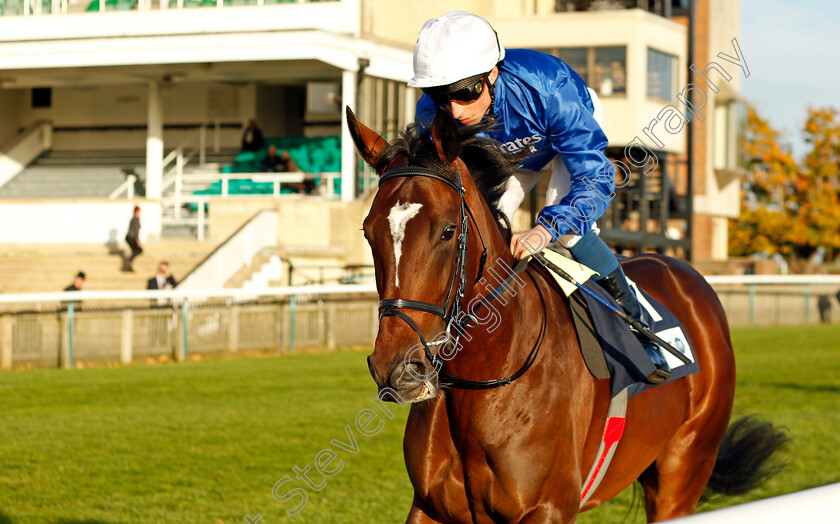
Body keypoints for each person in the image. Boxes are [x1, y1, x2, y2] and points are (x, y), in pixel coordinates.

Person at [410, 11, 669, 382]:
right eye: (439, 96)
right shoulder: (430, 116)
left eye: (467, 92)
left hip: (561, 135)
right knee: (475, 227)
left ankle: (639, 327)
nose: (455, 110)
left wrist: (545, 230)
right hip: (512, 155)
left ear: (492, 75)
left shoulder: (549, 88)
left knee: (568, 232)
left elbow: (595, 180)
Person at [124, 206, 142, 272]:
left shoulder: (133, 219)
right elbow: (135, 231)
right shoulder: (136, 219)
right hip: (131, 237)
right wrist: (137, 241)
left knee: (135, 251)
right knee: (138, 250)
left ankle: (129, 263)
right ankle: (128, 262)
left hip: (130, 237)